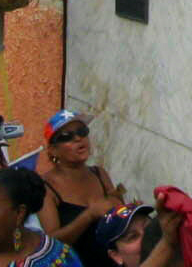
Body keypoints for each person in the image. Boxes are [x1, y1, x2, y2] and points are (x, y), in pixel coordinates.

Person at [34, 112, 122, 267]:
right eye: (67, 136)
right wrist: (89, 215)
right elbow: (53, 243)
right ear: (53, 150)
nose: (78, 139)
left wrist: (124, 209)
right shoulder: (45, 187)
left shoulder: (100, 173)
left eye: (82, 132)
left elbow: (119, 221)